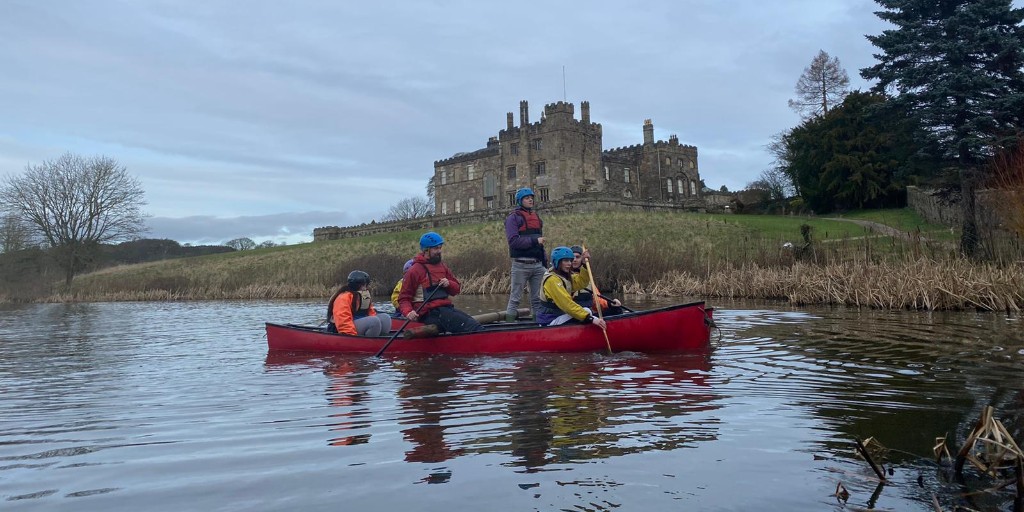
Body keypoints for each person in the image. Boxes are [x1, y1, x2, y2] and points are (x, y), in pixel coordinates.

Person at [398, 231, 482, 333]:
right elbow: (403, 298)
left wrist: (449, 284)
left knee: (471, 323)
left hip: (446, 309)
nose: (439, 251)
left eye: (440, 248)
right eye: (435, 248)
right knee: (470, 326)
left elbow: (456, 290)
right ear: (426, 250)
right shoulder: (414, 271)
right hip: (428, 314)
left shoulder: (442, 266)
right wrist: (408, 312)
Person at [535, 246, 608, 329]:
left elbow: (581, 282)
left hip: (558, 316)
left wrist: (584, 265)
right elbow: (567, 304)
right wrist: (590, 318)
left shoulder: (563, 276)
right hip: (549, 321)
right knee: (586, 312)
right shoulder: (552, 280)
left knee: (586, 312)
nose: (569, 263)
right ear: (557, 262)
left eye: (570, 260)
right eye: (566, 260)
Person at [504, 187, 546, 322]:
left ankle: (537, 323)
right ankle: (508, 327)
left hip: (538, 265)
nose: (530, 200)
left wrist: (544, 262)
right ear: (519, 201)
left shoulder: (536, 217)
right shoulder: (513, 218)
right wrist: (535, 241)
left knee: (537, 299)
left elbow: (540, 244)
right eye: (527, 198)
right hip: (520, 265)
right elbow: (513, 242)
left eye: (531, 197)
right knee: (515, 298)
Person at [326, 270, 391, 336]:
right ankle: (368, 344)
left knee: (385, 318)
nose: (365, 288)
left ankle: (382, 340)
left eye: (366, 285)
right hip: (346, 330)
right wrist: (351, 336)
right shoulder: (344, 297)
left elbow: (371, 313)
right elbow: (343, 320)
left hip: (358, 323)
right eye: (363, 286)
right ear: (356, 285)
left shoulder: (363, 296)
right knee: (374, 322)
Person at [568, 245, 624, 316]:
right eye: (572, 258)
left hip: (588, 314)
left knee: (616, 309)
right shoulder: (564, 277)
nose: (575, 260)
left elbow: (597, 300)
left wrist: (609, 303)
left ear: (582, 259)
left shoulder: (587, 278)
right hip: (573, 314)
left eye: (578, 257)